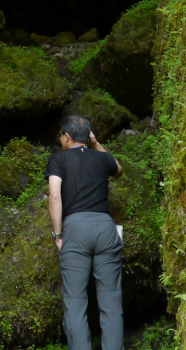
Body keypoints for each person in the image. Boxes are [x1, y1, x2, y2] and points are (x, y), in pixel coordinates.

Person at [47, 113, 124, 350]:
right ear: (87, 136)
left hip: (76, 230)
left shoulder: (58, 160)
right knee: (111, 302)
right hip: (105, 228)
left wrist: (58, 235)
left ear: (67, 136)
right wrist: (96, 143)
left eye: (61, 135)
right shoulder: (102, 159)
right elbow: (118, 169)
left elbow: (55, 195)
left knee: (75, 301)